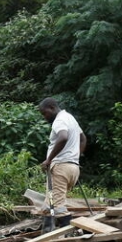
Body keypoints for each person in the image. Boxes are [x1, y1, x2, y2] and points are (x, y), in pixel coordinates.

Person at [38, 97, 87, 232]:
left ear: (52, 108)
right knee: (50, 204)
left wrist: (49, 159)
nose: (44, 117)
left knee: (58, 207)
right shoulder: (70, 118)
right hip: (72, 168)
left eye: (45, 113)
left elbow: (63, 137)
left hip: (61, 168)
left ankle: (71, 236)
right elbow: (83, 139)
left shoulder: (59, 120)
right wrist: (75, 156)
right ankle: (47, 234)